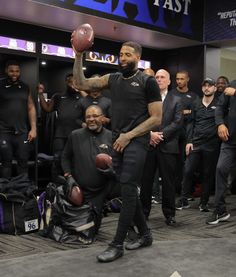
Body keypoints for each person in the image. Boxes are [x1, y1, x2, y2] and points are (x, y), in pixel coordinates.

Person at [72, 38, 162, 262]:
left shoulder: (147, 82)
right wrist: (78, 54)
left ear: (138, 58)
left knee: (129, 188)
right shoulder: (113, 79)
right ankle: (146, 234)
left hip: (136, 141)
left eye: (128, 54)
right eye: (121, 54)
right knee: (127, 191)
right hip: (118, 141)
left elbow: (157, 118)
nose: (122, 58)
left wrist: (129, 135)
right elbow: (82, 84)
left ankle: (117, 244)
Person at [61, 105, 115, 236]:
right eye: (88, 116)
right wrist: (68, 176)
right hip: (79, 189)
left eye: (95, 116)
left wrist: (111, 171)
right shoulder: (75, 135)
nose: (91, 119)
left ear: (102, 118)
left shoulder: (111, 137)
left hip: (102, 191)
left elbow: (119, 163)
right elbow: (65, 157)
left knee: (90, 232)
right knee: (76, 231)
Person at [140, 69, 183, 225]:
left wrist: (160, 135)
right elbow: (141, 119)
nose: (159, 79)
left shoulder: (177, 99)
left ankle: (169, 215)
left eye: (162, 77)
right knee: (146, 182)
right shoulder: (146, 99)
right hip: (148, 144)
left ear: (169, 81)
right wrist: (150, 134)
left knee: (168, 183)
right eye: (156, 77)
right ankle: (143, 214)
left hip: (168, 146)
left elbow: (177, 123)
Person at [176, 78, 220, 212]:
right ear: (202, 88)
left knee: (207, 174)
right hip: (196, 143)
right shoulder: (195, 103)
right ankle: (184, 200)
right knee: (188, 171)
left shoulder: (219, 104)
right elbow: (190, 123)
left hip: (212, 145)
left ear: (215, 88)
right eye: (204, 86)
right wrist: (189, 141)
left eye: (210, 86)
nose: (207, 88)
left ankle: (204, 202)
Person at [37, 73, 86, 180]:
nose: (72, 84)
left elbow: (90, 104)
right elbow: (47, 109)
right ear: (66, 82)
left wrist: (80, 88)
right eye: (70, 81)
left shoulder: (82, 97)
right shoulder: (58, 96)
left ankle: (73, 185)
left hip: (77, 135)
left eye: (75, 81)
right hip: (60, 135)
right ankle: (56, 184)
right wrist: (40, 94)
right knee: (57, 159)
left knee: (75, 159)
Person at [0, 60, 37, 178]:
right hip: (4, 131)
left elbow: (30, 107)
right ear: (6, 71)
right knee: (6, 163)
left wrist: (33, 128)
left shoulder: (25, 87)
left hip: (22, 132)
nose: (14, 73)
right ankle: (5, 194)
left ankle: (23, 192)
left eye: (17, 71)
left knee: (23, 161)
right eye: (11, 71)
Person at [206, 80, 236, 225]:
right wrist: (220, 124)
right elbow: (219, 108)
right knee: (221, 169)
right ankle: (220, 210)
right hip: (230, 140)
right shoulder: (233, 84)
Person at [171, 70, 199, 195]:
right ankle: (175, 190)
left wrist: (182, 112)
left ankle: (186, 191)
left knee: (187, 163)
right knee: (174, 162)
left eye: (182, 79)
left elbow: (196, 113)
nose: (179, 81)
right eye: (177, 79)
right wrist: (185, 112)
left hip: (188, 132)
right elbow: (169, 113)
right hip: (173, 133)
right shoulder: (171, 94)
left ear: (187, 79)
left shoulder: (193, 96)